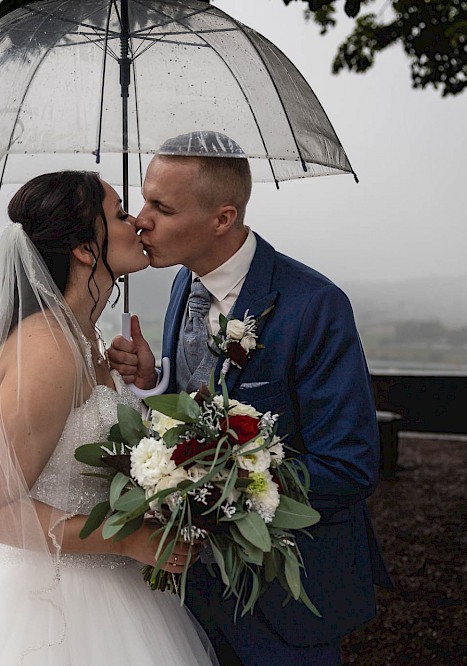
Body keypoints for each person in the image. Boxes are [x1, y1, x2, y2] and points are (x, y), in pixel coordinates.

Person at [0, 171, 216, 665]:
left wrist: (143, 389)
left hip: (114, 594)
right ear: (82, 248)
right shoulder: (49, 350)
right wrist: (128, 539)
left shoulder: (84, 340)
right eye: (119, 214)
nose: (137, 221)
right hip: (49, 610)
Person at [108, 132, 392, 665]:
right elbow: (199, 405)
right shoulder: (181, 286)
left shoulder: (315, 306)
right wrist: (155, 383)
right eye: (144, 202)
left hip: (287, 601)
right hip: (189, 599)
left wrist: (220, 483)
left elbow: (350, 468)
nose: (142, 219)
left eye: (162, 208)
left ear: (222, 218)